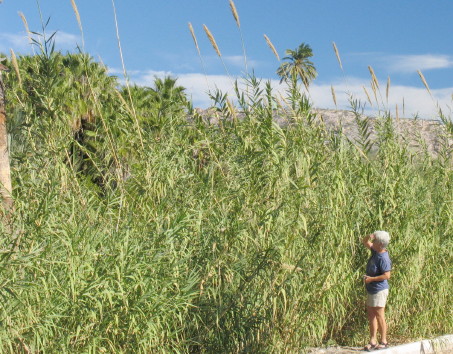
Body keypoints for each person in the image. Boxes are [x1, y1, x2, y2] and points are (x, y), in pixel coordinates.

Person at [362, 231, 392, 351]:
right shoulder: (375, 251)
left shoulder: (383, 258)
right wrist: (370, 236)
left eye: (374, 240)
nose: (372, 242)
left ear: (380, 244)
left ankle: (384, 341)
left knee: (380, 315)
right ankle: (373, 340)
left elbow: (387, 275)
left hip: (379, 290)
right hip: (371, 289)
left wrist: (372, 279)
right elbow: (365, 242)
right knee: (371, 314)